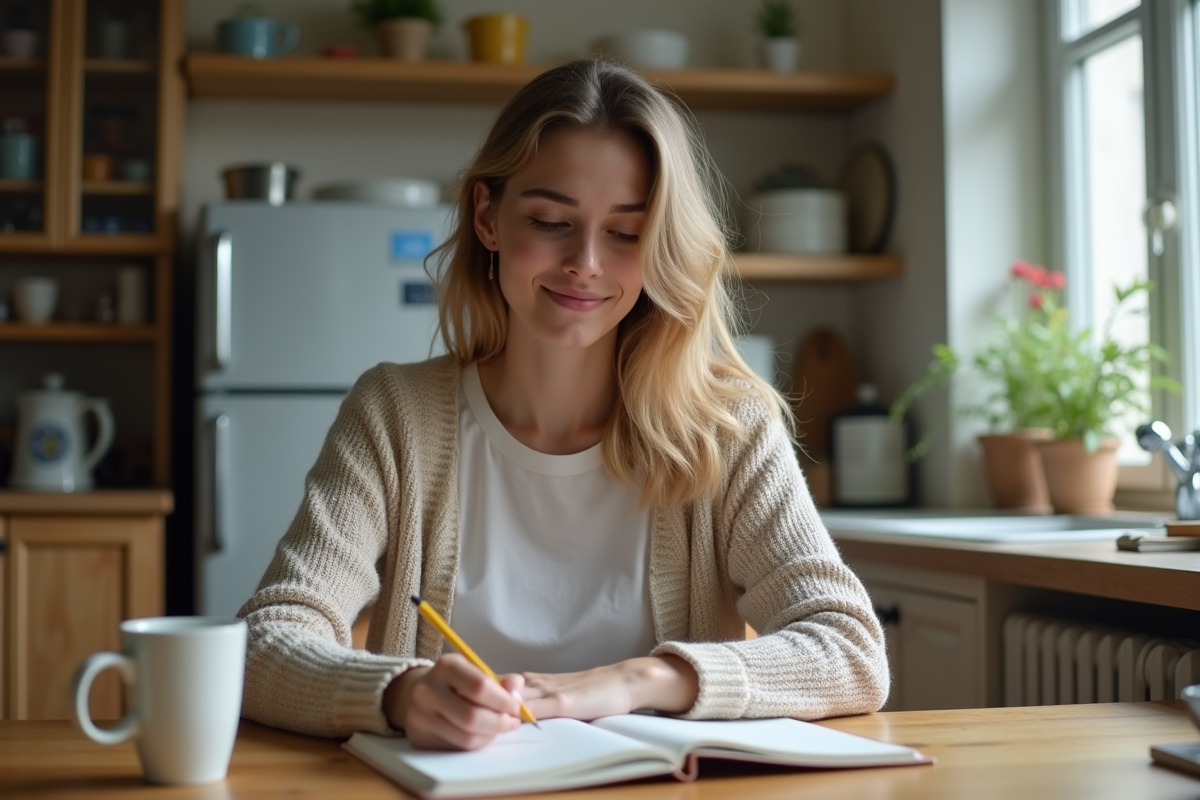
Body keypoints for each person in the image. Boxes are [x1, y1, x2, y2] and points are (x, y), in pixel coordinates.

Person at [238, 59, 888, 751]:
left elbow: (850, 651)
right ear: (488, 217)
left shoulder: (726, 430)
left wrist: (634, 681)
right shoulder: (394, 415)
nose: (586, 261)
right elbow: (264, 641)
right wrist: (397, 693)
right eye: (551, 220)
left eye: (627, 233)